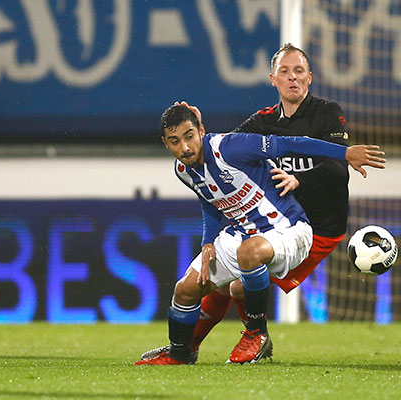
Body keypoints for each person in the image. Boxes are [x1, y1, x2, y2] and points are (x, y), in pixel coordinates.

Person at [141, 43, 354, 363]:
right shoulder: (263, 120)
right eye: (285, 71)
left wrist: (300, 180)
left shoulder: (326, 113)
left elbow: (339, 170)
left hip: (319, 225)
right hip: (269, 221)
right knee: (213, 284)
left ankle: (257, 337)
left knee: (239, 287)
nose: (292, 78)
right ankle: (185, 348)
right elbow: (222, 155)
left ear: (310, 78)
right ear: (273, 79)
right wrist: (197, 129)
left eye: (299, 71)